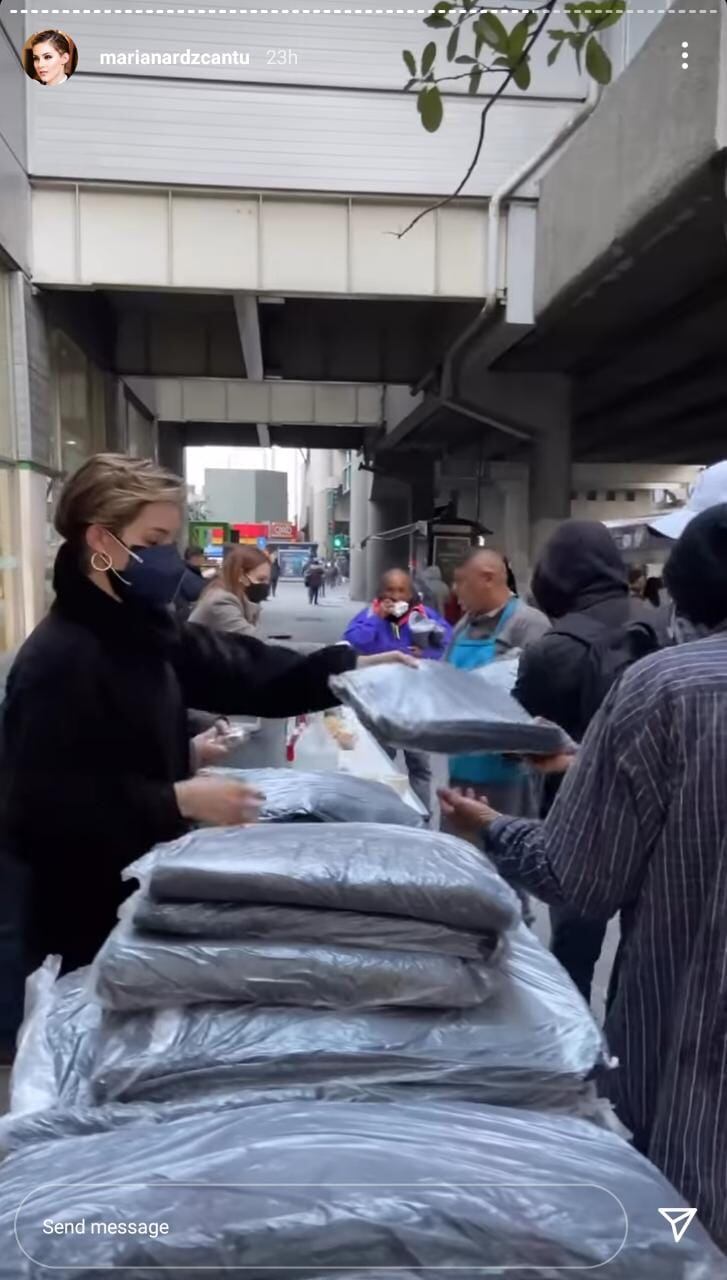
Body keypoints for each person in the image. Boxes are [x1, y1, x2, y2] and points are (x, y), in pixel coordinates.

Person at [439, 502, 727, 1253]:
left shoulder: (668, 689)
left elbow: (578, 876)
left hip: (695, 1062)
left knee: (684, 1234)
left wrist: (487, 829)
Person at [2, 454, 412, 974]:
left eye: (170, 542)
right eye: (152, 543)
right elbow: (41, 810)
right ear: (101, 542)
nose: (169, 561)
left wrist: (352, 669)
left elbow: (244, 669)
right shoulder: (61, 659)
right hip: (84, 927)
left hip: (143, 891)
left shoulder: (142, 629)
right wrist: (175, 798)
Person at [513, 520, 660, 1001]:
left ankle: (572, 1053)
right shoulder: (658, 623)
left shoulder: (552, 650)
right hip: (661, 816)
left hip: (580, 822)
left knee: (573, 956)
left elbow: (517, 734)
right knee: (646, 954)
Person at [444, 549, 550, 825]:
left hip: (510, 775)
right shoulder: (462, 627)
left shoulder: (529, 624)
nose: (455, 591)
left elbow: (539, 701)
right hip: (462, 766)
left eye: (461, 581)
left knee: (505, 852)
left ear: (487, 578)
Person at [344, 569, 451, 816]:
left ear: (411, 593)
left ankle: (421, 816)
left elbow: (445, 638)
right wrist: (376, 618)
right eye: (389, 590)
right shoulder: (370, 614)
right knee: (381, 763)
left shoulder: (423, 616)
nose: (395, 595)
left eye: (401, 590)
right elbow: (353, 642)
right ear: (381, 592)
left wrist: (425, 654)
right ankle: (381, 813)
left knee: (420, 764)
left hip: (415, 703)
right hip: (379, 702)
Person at [190, 545, 270, 638]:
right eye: (261, 579)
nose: (266, 585)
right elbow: (253, 640)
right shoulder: (221, 601)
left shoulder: (226, 592)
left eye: (268, 579)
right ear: (240, 575)